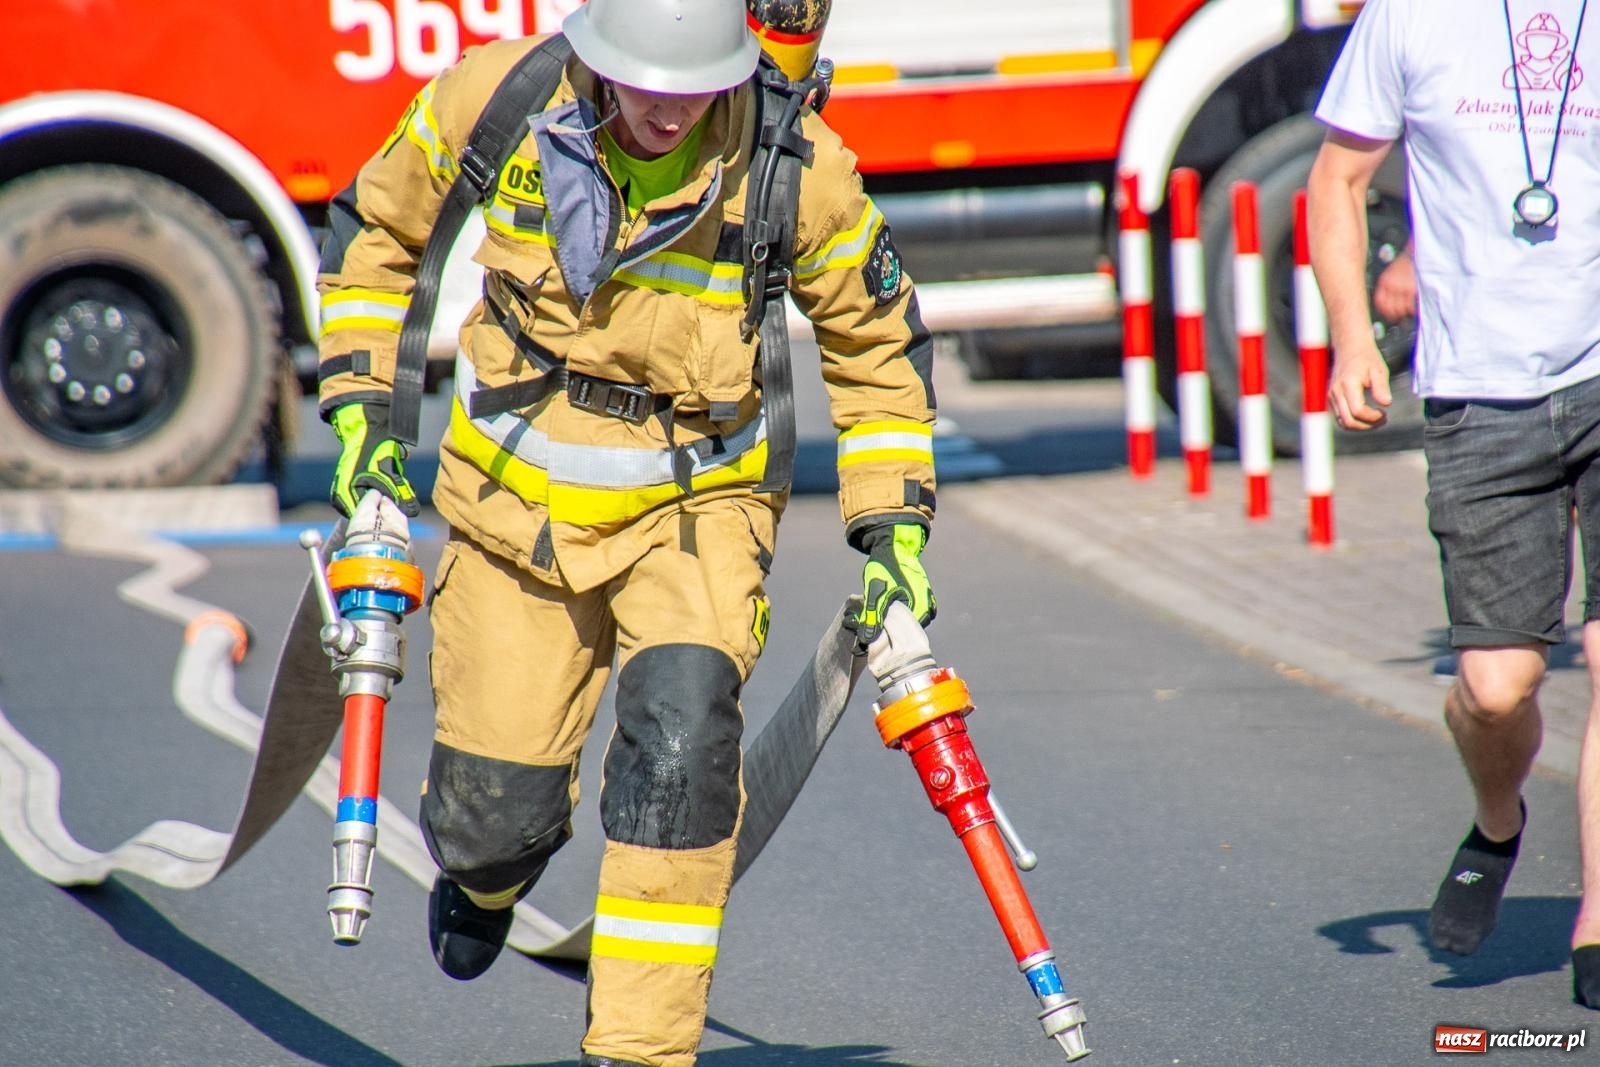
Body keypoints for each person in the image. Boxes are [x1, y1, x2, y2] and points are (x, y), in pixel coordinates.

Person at [315, 0, 938, 1062]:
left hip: (697, 512)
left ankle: (640, 1048)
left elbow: (876, 348)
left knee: (680, 764)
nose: (667, 111)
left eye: (694, 89)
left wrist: (894, 530)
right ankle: (488, 877)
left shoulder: (795, 166)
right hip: (515, 510)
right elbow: (380, 237)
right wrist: (362, 418)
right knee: (488, 818)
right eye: (645, 83)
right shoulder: (500, 100)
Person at [1307, 0, 1600, 1008]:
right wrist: (1352, 338)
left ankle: (1597, 920)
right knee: (1495, 687)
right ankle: (1498, 821)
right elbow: (1337, 180)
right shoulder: (1410, 18)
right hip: (1479, 391)